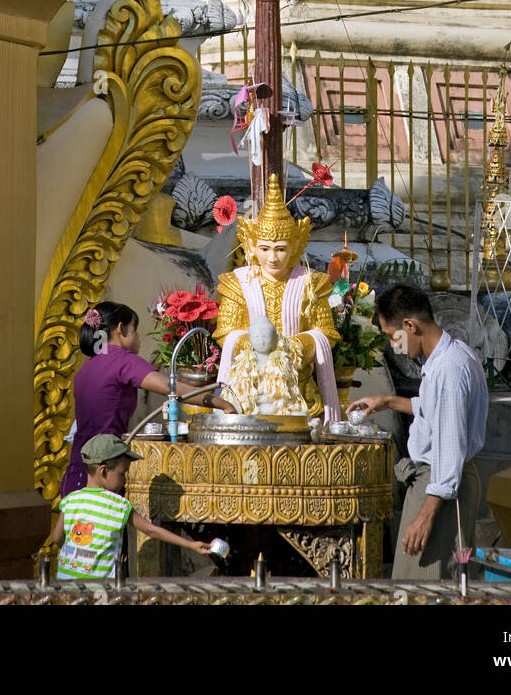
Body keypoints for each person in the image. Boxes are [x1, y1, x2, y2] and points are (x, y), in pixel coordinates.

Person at [351, 283, 488, 581]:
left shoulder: (447, 371)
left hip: (440, 485)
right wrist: (386, 401)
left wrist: (425, 517)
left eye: (392, 336)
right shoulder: (451, 356)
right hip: (440, 482)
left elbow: (449, 451)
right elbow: (433, 408)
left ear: (410, 325)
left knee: (427, 585)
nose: (393, 345)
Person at [60, 300, 232, 497]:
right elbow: (171, 388)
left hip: (77, 472)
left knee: (77, 528)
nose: (139, 339)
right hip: (104, 473)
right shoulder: (122, 360)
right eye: (135, 330)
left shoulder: (87, 368)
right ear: (120, 329)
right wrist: (220, 402)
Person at [214, 174, 340, 421]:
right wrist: (263, 348)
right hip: (248, 392)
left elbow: (326, 333)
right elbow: (225, 333)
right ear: (251, 246)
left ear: (295, 245)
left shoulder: (311, 283)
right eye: (264, 249)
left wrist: (291, 347)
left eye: (280, 248)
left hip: (299, 393)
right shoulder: (238, 283)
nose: (272, 258)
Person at [52, 435, 212, 580]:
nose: (125, 480)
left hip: (66, 587)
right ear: (104, 471)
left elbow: (57, 538)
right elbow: (151, 530)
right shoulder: (118, 505)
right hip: (100, 592)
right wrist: (191, 544)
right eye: (122, 474)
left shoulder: (70, 500)